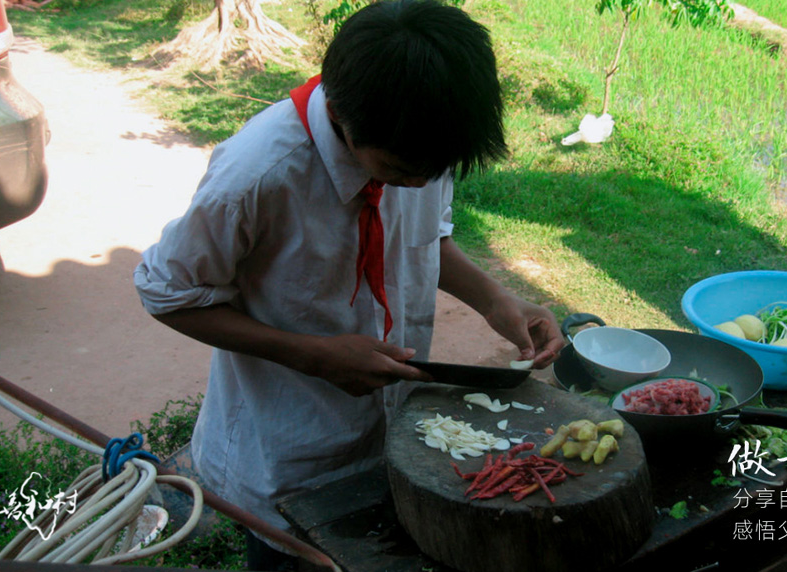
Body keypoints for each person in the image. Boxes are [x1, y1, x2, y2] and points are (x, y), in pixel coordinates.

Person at [133, 0, 564, 569]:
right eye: (400, 169)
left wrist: (497, 300)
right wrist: (313, 355)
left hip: (395, 435)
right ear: (339, 114)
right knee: (292, 560)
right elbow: (167, 292)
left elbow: (426, 238)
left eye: (431, 172)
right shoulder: (257, 175)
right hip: (287, 455)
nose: (418, 182)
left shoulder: (416, 143)